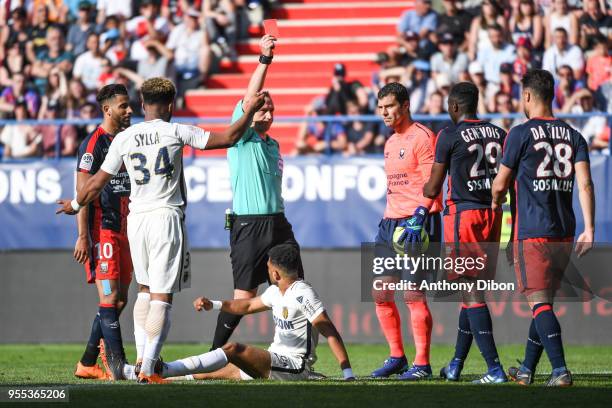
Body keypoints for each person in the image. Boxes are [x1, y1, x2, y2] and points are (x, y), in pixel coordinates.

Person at [56, 77, 267, 383]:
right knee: (161, 295)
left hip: (136, 220)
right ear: (171, 105)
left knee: (143, 291)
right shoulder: (176, 131)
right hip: (165, 217)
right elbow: (230, 137)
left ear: (143, 105)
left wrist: (75, 204)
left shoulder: (125, 138)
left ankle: (143, 358)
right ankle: (150, 367)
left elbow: (96, 183)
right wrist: (249, 113)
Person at [491, 69, 595, 387]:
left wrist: (496, 204)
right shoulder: (574, 136)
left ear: (527, 96)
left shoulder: (520, 134)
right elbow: (586, 184)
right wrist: (590, 229)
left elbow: (500, 184)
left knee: (539, 303)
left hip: (533, 230)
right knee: (544, 302)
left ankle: (560, 370)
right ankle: (526, 371)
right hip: (565, 230)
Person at [130, 244, 355, 382]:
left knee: (234, 349)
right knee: (214, 373)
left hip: (293, 366)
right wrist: (214, 305)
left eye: (268, 268)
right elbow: (246, 306)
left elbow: (329, 330)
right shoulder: (277, 291)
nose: (267, 271)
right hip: (275, 359)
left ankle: (163, 368)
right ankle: (156, 372)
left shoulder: (303, 292)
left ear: (275, 273)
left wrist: (347, 373)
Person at [210, 35, 306, 350]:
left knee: (295, 288)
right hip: (249, 225)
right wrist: (264, 60)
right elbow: (250, 96)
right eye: (261, 110)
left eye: (271, 110)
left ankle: (297, 355)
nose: (267, 115)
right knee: (244, 296)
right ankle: (213, 355)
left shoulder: (273, 144)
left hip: (278, 223)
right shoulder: (242, 138)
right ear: (250, 113)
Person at [423, 82, 508, 384]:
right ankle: (456, 364)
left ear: (455, 107)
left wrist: (424, 187)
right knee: (470, 290)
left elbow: (433, 188)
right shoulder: (500, 133)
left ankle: (494, 368)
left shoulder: (449, 134)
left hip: (464, 215)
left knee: (471, 291)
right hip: (493, 214)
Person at [370, 82, 442, 381]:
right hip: (390, 224)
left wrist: (420, 215)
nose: (384, 112)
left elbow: (433, 182)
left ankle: (422, 364)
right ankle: (397, 357)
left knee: (413, 294)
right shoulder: (389, 142)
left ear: (405, 105)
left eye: (389, 106)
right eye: (381, 107)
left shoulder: (423, 137)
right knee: (380, 292)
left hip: (416, 223)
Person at [72, 84, 134, 381]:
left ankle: (86, 363)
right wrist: (83, 236)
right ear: (107, 109)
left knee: (119, 301)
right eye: (123, 106)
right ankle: (116, 363)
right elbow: (83, 193)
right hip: (103, 231)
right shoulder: (92, 144)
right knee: (109, 301)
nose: (130, 110)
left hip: (126, 227)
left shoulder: (126, 140)